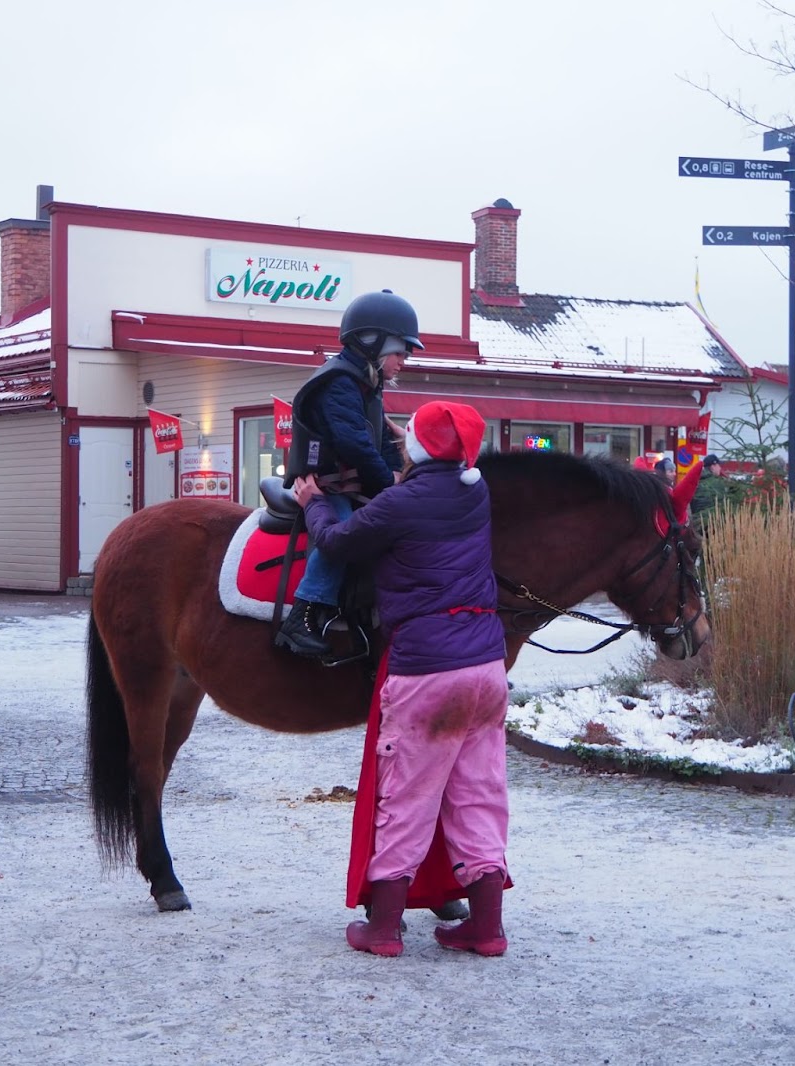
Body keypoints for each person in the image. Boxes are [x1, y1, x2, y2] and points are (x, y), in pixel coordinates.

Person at [294, 399, 511, 958]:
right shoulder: (474, 491)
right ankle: (486, 928)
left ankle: (383, 928)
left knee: (407, 797)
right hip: (486, 666)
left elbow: (339, 544)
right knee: (479, 795)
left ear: (416, 448)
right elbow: (440, 461)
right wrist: (417, 440)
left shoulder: (401, 503)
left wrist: (315, 503)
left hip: (427, 669)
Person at [276, 289, 419, 658]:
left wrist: (398, 473)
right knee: (342, 533)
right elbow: (355, 445)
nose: (403, 361)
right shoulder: (340, 382)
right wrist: (388, 482)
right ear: (374, 343)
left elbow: (379, 440)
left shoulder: (367, 382)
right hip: (325, 485)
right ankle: (303, 614)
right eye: (400, 352)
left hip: (350, 480)